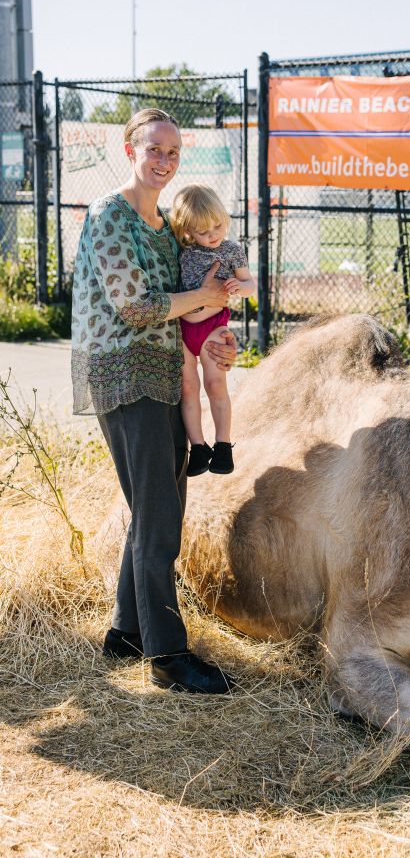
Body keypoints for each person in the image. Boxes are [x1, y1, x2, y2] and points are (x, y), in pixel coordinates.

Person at [71, 107, 238, 694]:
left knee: (157, 501)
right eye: (154, 150)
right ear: (130, 150)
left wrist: (217, 336)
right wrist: (202, 294)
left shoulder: (169, 224)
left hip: (170, 371)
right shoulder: (109, 215)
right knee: (161, 513)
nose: (164, 161)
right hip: (123, 372)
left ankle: (127, 630)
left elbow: (195, 303)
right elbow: (137, 306)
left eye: (173, 152)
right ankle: (168, 656)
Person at [169, 185, 256, 477]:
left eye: (217, 225)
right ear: (188, 231)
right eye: (203, 231)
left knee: (215, 383)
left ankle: (222, 445)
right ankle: (198, 446)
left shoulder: (232, 250)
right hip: (182, 328)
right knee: (188, 388)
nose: (212, 234)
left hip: (212, 326)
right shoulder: (182, 251)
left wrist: (239, 287)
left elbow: (250, 285)